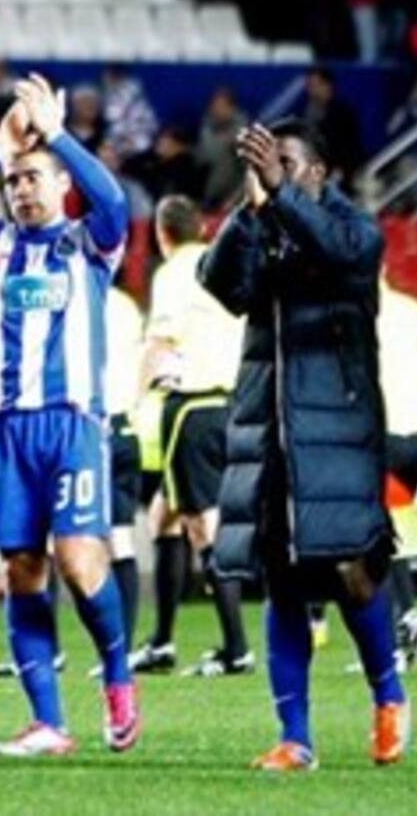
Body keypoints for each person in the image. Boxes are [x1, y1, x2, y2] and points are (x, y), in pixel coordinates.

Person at [199, 120, 408, 771]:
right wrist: (248, 211)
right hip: (271, 430)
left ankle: (389, 694)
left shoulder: (354, 229)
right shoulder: (267, 228)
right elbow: (219, 282)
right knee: (283, 580)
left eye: (285, 163)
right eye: (266, 163)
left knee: (352, 569)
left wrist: (281, 197)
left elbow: (342, 257)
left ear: (316, 172)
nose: (273, 173)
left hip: (339, 428)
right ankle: (295, 737)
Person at [0, 76, 139, 759]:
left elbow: (115, 201)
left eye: (34, 178)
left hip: (71, 423)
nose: (22, 190)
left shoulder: (88, 244)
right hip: (6, 430)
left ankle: (118, 676)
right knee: (22, 569)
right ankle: (48, 722)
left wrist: (58, 135)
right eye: (14, 182)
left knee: (79, 561)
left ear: (63, 183)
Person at [130, 195, 250, 677]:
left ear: (162, 235)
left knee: (202, 524)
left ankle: (237, 648)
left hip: (191, 407)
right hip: (231, 402)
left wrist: (134, 399)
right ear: (201, 228)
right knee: (164, 517)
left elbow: (160, 342)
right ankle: (161, 641)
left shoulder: (173, 274)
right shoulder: (223, 264)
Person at [374, 271, 417, 664]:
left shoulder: (354, 313)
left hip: (380, 439)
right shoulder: (415, 312)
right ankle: (409, 619)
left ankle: (405, 625)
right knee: (396, 534)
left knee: (380, 539)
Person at [106, 284, 144, 646]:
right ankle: (124, 646)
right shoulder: (127, 307)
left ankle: (49, 650)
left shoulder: (80, 298)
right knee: (121, 539)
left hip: (90, 428)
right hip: (127, 427)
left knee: (53, 542)